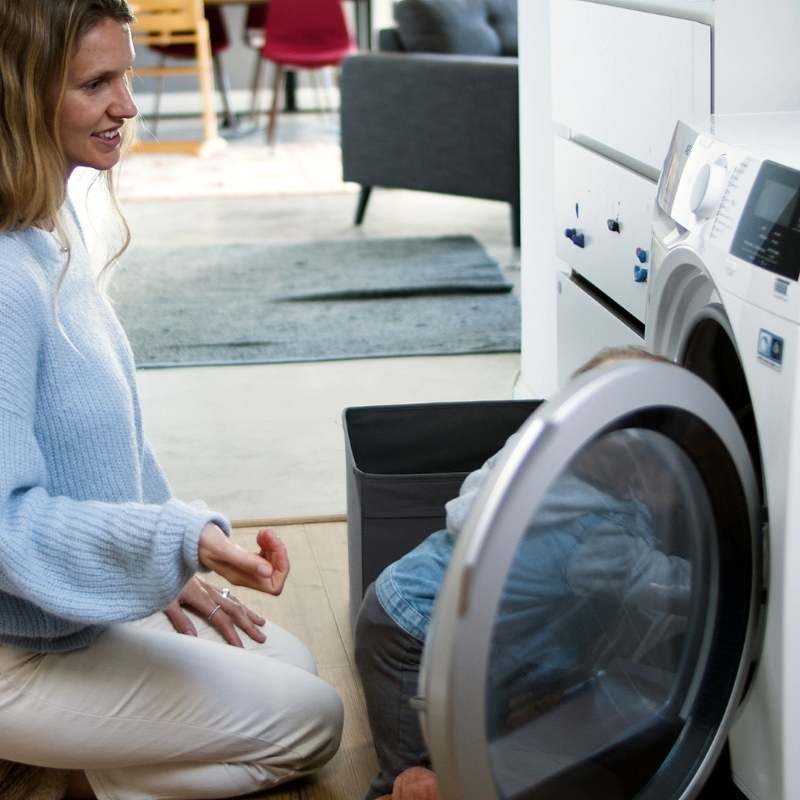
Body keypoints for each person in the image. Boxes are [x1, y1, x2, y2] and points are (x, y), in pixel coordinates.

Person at [0, 2, 343, 799]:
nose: (128, 105)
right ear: (19, 94)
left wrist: (160, 571)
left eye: (125, 74)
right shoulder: (3, 278)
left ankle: (66, 753)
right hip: (14, 651)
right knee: (314, 720)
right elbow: (6, 524)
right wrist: (176, 541)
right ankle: (60, 777)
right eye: (96, 84)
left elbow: (99, 441)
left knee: (288, 663)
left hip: (56, 618)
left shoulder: (50, 219)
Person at [354, 347, 694, 799]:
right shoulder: (595, 533)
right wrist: (728, 579)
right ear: (630, 471)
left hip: (439, 622)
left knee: (472, 756)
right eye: (668, 461)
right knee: (422, 779)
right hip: (410, 639)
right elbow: (656, 582)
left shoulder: (536, 449)